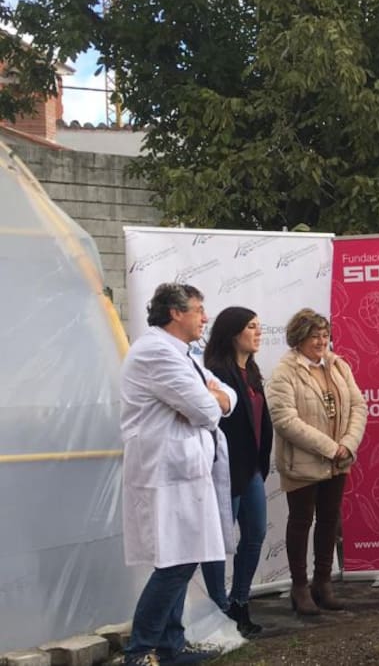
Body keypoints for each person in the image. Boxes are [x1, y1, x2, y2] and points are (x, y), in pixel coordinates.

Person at [120, 283, 233, 666]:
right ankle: (139, 651)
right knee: (176, 561)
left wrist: (215, 397)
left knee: (182, 556)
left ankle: (171, 645)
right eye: (198, 310)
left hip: (183, 472)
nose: (205, 318)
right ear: (175, 313)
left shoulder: (182, 352)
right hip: (166, 473)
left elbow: (225, 397)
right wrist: (212, 399)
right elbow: (206, 410)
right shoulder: (155, 352)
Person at [266, 308, 367, 616]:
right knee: (301, 521)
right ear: (299, 339)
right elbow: (285, 420)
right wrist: (330, 448)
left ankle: (323, 582)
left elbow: (358, 406)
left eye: (325, 335)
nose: (322, 341)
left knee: (329, 520)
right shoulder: (284, 371)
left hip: (338, 461)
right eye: (315, 336)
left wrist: (347, 445)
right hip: (303, 463)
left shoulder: (338, 365)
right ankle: (299, 586)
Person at [199, 307, 273, 638]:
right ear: (232, 333)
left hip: (252, 468)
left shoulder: (252, 371)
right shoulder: (216, 373)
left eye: (259, 326)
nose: (258, 332)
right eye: (251, 327)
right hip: (225, 470)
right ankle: (218, 608)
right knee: (217, 540)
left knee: (255, 533)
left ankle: (240, 601)